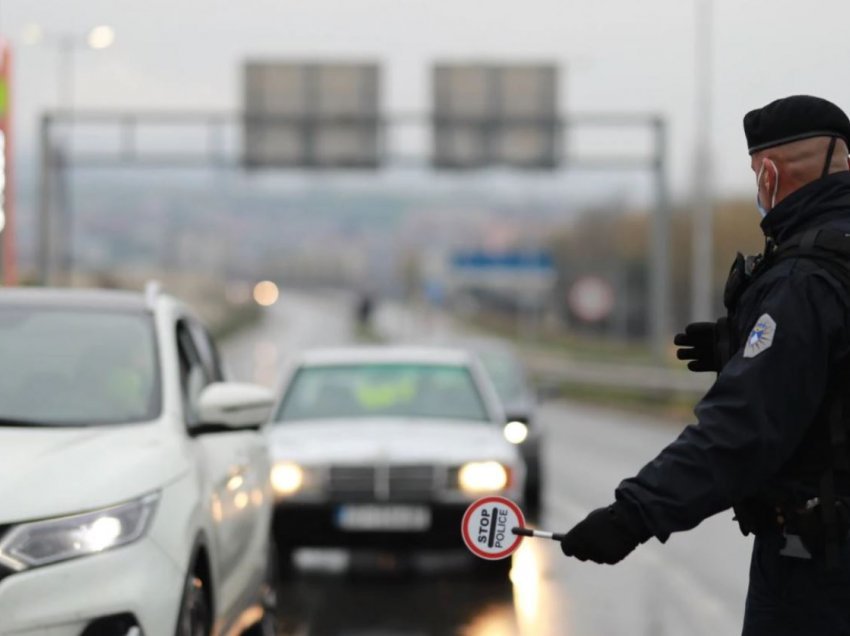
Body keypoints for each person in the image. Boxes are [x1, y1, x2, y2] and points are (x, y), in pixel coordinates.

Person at [559, 95, 850, 635]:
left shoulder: (805, 281)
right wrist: (743, 344)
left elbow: (743, 426)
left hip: (820, 575)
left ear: (768, 174)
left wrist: (634, 515)